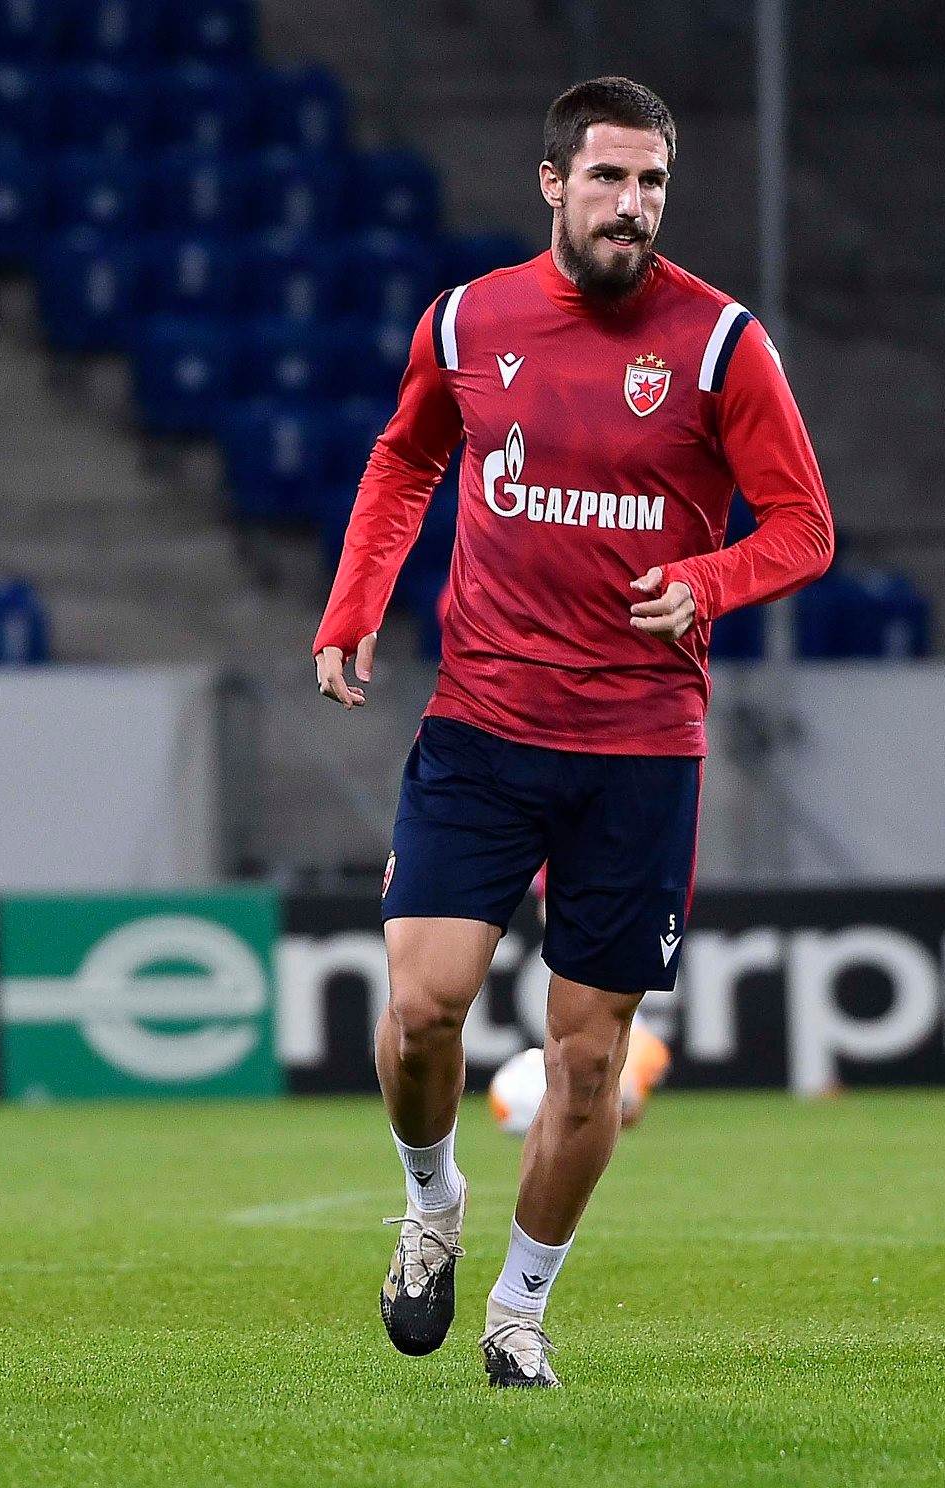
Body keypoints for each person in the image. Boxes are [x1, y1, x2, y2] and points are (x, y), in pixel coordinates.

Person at [312, 77, 833, 1387]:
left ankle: (518, 1311)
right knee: (422, 1010)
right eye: (607, 179)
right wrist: (355, 600)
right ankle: (430, 1206)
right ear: (552, 184)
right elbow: (402, 459)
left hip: (639, 748)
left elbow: (803, 527)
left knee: (586, 1059)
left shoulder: (720, 346)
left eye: (651, 183)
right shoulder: (467, 321)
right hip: (481, 723)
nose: (631, 205)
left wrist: (706, 582)